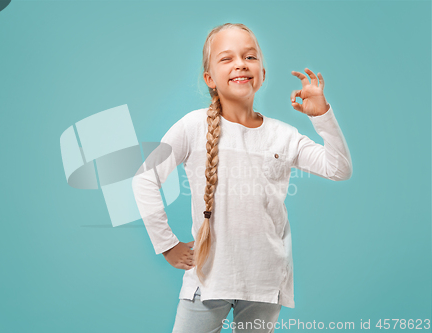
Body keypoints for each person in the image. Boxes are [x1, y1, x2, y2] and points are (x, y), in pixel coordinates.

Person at [132, 22, 353, 333]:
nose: (240, 64)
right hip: (208, 280)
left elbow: (338, 168)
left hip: (265, 282)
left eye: (250, 57)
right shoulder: (192, 126)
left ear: (261, 74)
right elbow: (144, 178)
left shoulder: (283, 136)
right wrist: (166, 244)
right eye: (226, 58)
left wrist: (322, 116)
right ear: (209, 78)